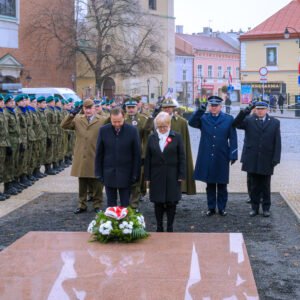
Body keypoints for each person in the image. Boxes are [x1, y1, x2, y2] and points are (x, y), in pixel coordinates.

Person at [188, 96, 238, 216]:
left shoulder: (228, 119)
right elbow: (191, 123)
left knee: (222, 184)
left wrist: (233, 154)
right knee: (210, 183)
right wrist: (200, 110)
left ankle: (222, 208)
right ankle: (211, 207)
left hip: (222, 155)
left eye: (216, 106)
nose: (214, 108)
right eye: (212, 106)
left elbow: (233, 137)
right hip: (207, 155)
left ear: (221, 106)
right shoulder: (204, 118)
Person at [233, 101, 281, 217]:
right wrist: (245, 111)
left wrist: (276, 159)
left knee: (265, 185)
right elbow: (236, 124)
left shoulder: (275, 122)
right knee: (254, 185)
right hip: (252, 158)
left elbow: (277, 142)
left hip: (267, 159)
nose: (260, 111)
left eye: (262, 109)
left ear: (267, 110)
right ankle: (254, 208)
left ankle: (266, 208)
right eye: (258, 109)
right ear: (255, 110)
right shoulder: (249, 120)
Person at [61, 99, 106, 214]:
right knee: (82, 182)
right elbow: (64, 125)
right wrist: (71, 114)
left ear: (94, 109)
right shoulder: (77, 119)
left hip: (95, 154)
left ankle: (97, 204)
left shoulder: (102, 120)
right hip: (82, 155)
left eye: (90, 108)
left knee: (97, 182)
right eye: (86, 108)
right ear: (83, 109)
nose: (88, 111)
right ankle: (82, 204)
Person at [144, 112, 185, 232]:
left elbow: (182, 157)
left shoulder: (177, 137)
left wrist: (181, 174)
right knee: (158, 202)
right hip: (156, 175)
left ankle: (170, 227)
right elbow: (148, 158)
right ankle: (159, 226)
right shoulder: (152, 137)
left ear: (169, 125)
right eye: (159, 127)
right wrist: (147, 176)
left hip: (172, 175)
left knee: (172, 202)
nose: (162, 129)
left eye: (164, 127)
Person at [95, 107, 141, 207]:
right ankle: (112, 221)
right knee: (111, 204)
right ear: (110, 119)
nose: (116, 124)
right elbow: (99, 153)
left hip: (126, 174)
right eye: (114, 121)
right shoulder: (103, 131)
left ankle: (124, 222)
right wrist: (98, 173)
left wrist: (135, 174)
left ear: (123, 118)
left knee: (125, 204)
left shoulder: (132, 131)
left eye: (119, 121)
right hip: (109, 173)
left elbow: (136, 154)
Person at [160, 97, 196, 195]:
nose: (167, 109)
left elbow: (185, 141)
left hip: (175, 156)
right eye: (165, 107)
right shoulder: (157, 121)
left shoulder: (181, 122)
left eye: (170, 107)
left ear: (173, 108)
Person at [124, 99, 152, 209]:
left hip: (138, 153)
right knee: (124, 178)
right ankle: (125, 201)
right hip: (124, 153)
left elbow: (148, 131)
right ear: (125, 108)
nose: (131, 110)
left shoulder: (143, 119)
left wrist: (150, 117)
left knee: (136, 179)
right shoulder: (122, 119)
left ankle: (134, 203)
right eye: (128, 108)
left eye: (133, 107)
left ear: (137, 108)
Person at [0, 94, 11, 200]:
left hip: (4, 144)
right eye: (1, 101)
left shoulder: (2, 113)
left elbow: (5, 132)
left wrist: (8, 144)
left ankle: (6, 188)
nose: (3, 102)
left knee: (3, 168)